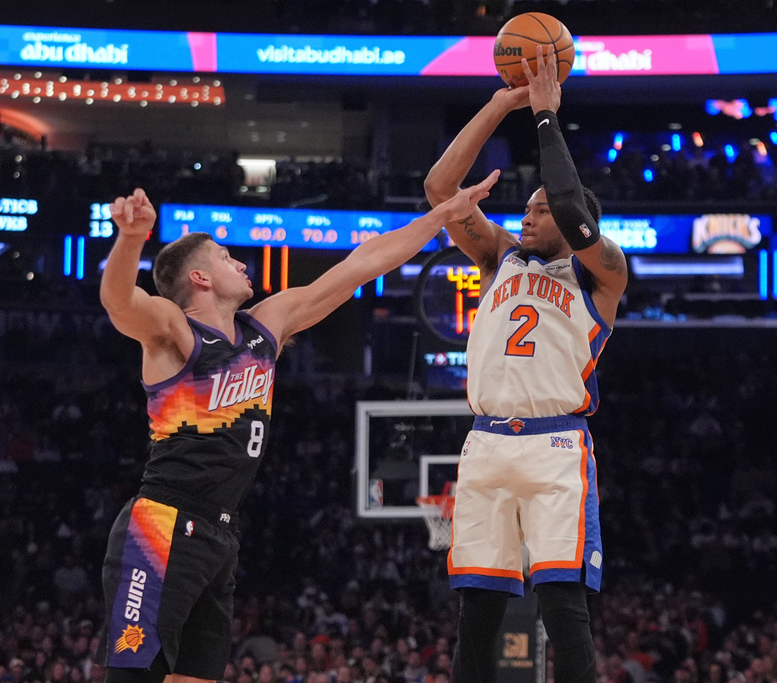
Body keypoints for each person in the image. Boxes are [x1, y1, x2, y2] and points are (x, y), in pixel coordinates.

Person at [95, 171, 500, 683]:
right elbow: (119, 302)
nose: (240, 262)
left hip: (221, 532)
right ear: (199, 278)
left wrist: (443, 216)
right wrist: (131, 240)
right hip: (163, 522)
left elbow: (361, 265)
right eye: (224, 256)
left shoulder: (267, 324)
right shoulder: (173, 330)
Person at [423, 46, 628, 682]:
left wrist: (545, 117)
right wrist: (500, 103)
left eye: (538, 209)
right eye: (529, 207)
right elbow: (439, 190)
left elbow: (570, 203)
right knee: (477, 610)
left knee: (563, 606)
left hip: (555, 445)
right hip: (485, 442)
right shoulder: (499, 260)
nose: (527, 215)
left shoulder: (604, 274)